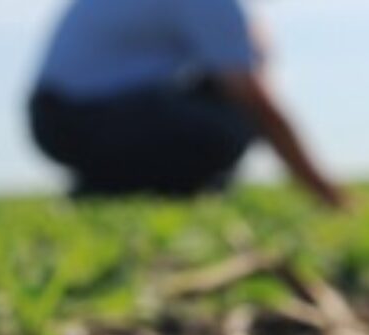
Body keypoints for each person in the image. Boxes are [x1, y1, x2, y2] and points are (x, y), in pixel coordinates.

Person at [28, 0, 352, 208]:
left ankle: (109, 189)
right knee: (231, 121)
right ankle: (117, 191)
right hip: (81, 118)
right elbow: (255, 100)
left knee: (217, 101)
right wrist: (324, 192)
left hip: (62, 116)